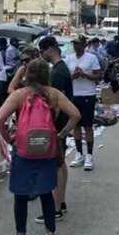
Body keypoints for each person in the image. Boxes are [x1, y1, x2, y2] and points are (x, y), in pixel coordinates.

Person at [0, 59, 81, 235]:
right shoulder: (54, 94)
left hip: (24, 150)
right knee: (46, 193)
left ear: (28, 74)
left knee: (21, 195)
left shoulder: (19, 95)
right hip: (47, 150)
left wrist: (10, 139)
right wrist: (60, 134)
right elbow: (75, 115)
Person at [37, 36, 74, 222]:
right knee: (60, 163)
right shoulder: (61, 69)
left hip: (57, 125)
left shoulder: (58, 73)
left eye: (42, 51)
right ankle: (61, 202)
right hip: (61, 125)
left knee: (56, 166)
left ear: (50, 49)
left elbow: (58, 103)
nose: (42, 56)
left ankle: (56, 206)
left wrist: (50, 123)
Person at [65, 36, 102, 171]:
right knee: (75, 125)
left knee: (87, 126)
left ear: (84, 45)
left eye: (78, 44)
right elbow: (65, 78)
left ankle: (89, 155)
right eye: (74, 44)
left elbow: (99, 76)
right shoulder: (68, 58)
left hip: (88, 95)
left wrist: (84, 74)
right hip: (73, 95)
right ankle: (79, 153)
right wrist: (74, 76)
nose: (75, 46)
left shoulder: (91, 58)